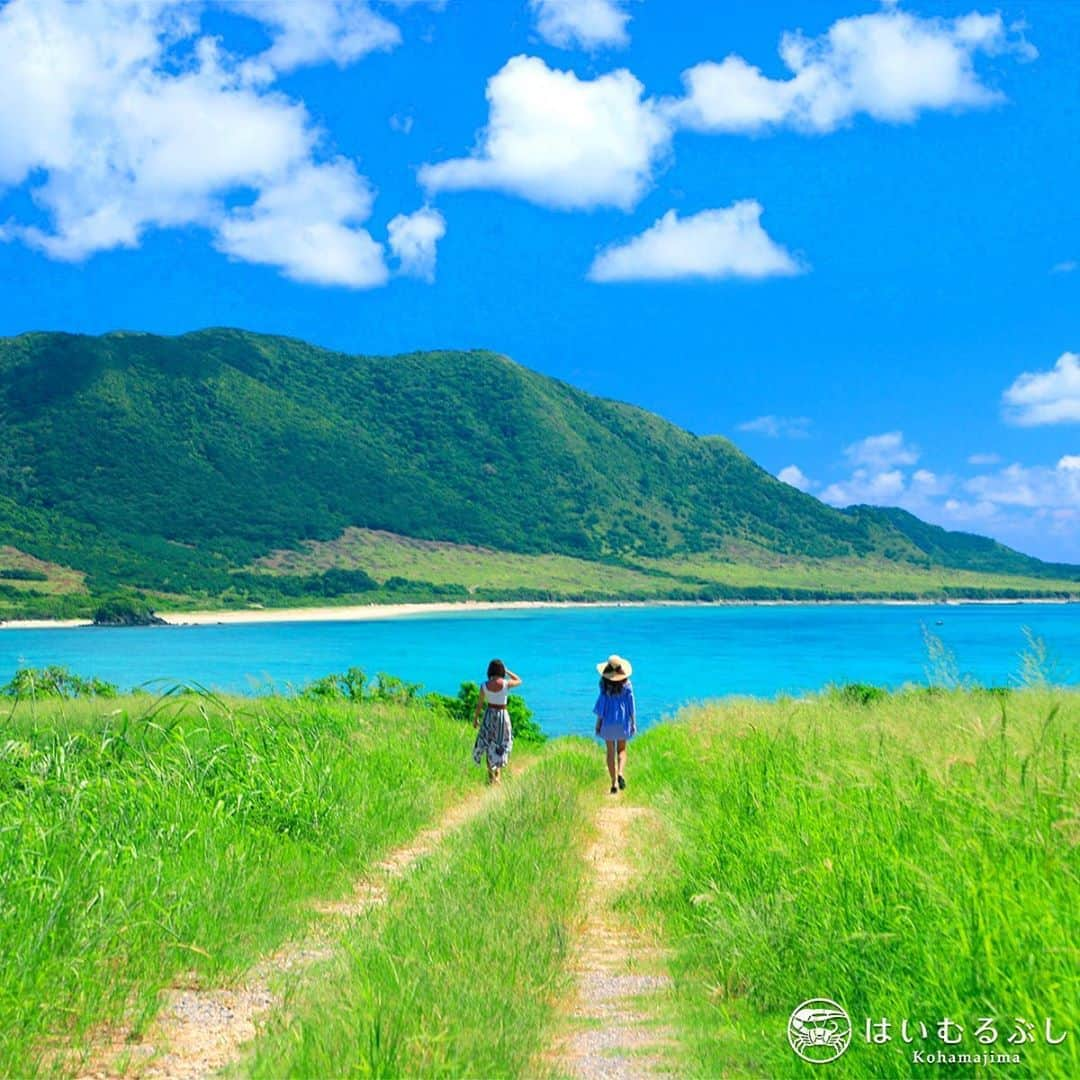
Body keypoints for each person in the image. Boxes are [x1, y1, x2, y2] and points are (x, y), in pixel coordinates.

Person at [472, 658, 521, 784]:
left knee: (488, 745)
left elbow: (479, 705)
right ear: (501, 671)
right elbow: (519, 680)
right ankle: (497, 775)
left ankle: (491, 777)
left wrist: (476, 719)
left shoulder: (484, 685)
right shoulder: (505, 684)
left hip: (489, 716)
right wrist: (508, 671)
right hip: (502, 717)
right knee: (500, 744)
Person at [593, 654, 635, 794]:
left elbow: (601, 706)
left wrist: (598, 723)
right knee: (622, 750)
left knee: (610, 752)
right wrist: (633, 722)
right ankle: (621, 773)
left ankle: (613, 783)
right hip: (622, 721)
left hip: (608, 722)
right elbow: (631, 705)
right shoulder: (627, 685)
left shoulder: (604, 686)